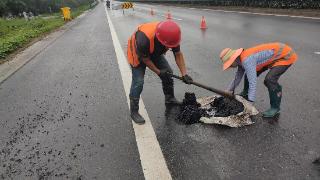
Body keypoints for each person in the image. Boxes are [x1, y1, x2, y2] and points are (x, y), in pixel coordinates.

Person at [127, 20, 193, 124]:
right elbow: (145, 59)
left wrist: (184, 74)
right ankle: (134, 111)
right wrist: (158, 71)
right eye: (167, 45)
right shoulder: (144, 39)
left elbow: (178, 54)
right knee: (138, 81)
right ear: (159, 38)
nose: (168, 48)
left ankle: (169, 98)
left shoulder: (172, 36)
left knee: (168, 73)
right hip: (137, 53)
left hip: (154, 51)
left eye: (170, 46)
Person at [219, 42, 298, 118]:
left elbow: (252, 82)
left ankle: (275, 108)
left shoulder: (247, 61)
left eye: (230, 64)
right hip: (273, 56)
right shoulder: (240, 60)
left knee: (269, 80)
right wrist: (228, 90)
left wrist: (250, 103)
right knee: (249, 73)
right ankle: (246, 93)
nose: (230, 66)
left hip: (285, 55)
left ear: (233, 59)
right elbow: (237, 78)